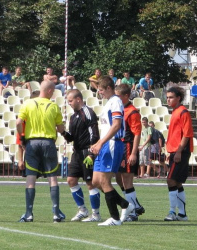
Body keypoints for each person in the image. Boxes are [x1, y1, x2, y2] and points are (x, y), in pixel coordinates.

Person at [17, 80, 66, 223]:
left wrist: (23, 137)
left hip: (32, 143)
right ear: (50, 91)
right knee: (52, 178)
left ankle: (28, 213)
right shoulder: (53, 106)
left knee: (31, 178)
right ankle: (56, 213)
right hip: (48, 143)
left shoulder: (28, 103)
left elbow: (18, 123)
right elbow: (60, 128)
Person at [90, 76, 133, 226]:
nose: (99, 93)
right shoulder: (109, 102)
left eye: (101, 90)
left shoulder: (115, 101)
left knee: (104, 181)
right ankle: (126, 205)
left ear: (109, 88)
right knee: (95, 181)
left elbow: (116, 125)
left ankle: (115, 218)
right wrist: (98, 143)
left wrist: (101, 142)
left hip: (112, 144)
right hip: (105, 144)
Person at [61, 89, 102, 222]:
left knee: (90, 183)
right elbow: (71, 138)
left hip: (86, 152)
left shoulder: (88, 113)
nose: (70, 104)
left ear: (78, 99)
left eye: (71, 101)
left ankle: (96, 214)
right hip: (77, 152)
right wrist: (62, 132)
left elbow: (94, 134)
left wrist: (91, 153)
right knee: (71, 180)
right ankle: (83, 210)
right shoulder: (74, 116)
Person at [115, 83, 146, 221]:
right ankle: (135, 206)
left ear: (126, 96)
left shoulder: (132, 111)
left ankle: (132, 212)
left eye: (118, 96)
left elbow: (137, 133)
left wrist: (133, 153)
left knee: (127, 180)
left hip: (127, 146)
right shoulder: (120, 109)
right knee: (118, 178)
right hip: (119, 146)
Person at [163, 86, 193, 221]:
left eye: (171, 97)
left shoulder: (183, 112)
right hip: (174, 150)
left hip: (180, 151)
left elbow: (187, 134)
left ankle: (172, 212)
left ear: (178, 98)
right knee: (178, 182)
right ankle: (182, 214)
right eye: (167, 97)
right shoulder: (175, 112)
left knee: (170, 180)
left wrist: (179, 151)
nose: (168, 100)